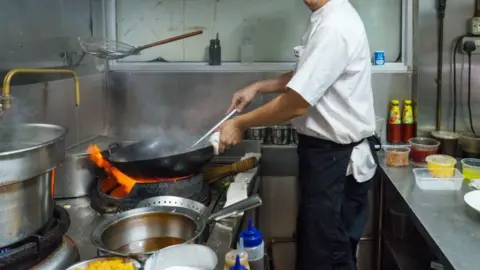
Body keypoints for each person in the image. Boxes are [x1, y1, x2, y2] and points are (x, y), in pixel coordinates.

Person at [219, 0, 379, 269]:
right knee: (322, 249)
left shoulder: (335, 24)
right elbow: (309, 75)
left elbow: (297, 103)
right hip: (326, 160)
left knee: (327, 258)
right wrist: (259, 86)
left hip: (336, 163)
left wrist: (240, 123)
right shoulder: (326, 16)